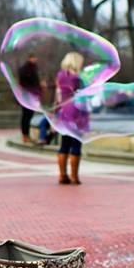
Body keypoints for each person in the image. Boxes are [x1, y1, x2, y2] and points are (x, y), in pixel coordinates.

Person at [55, 51, 88, 185]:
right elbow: (83, 96)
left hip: (64, 111)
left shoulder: (60, 75)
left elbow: (58, 95)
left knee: (64, 144)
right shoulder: (79, 78)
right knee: (76, 144)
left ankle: (63, 175)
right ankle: (74, 177)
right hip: (77, 111)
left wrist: (58, 110)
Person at [17, 53, 42, 143]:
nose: (35, 60)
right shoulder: (25, 69)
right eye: (33, 58)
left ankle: (26, 135)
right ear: (29, 58)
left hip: (32, 95)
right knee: (26, 116)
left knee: (29, 115)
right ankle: (25, 135)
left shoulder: (33, 69)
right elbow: (24, 83)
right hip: (27, 96)